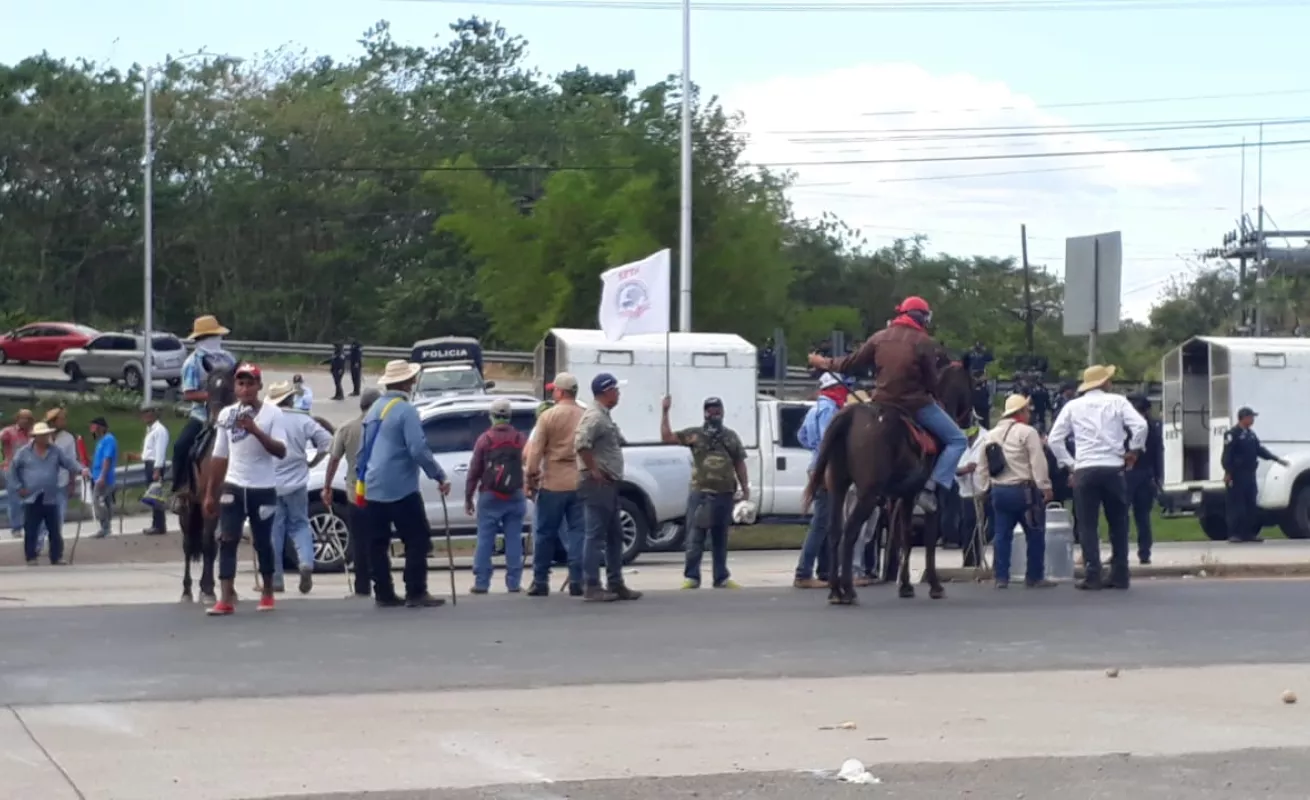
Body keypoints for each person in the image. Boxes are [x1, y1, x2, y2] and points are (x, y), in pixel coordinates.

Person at [807, 296, 968, 514]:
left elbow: (849, 363)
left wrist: (825, 363)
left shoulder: (879, 337)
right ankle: (931, 488)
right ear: (923, 318)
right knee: (958, 439)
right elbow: (931, 382)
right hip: (915, 405)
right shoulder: (924, 342)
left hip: (881, 401)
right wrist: (936, 395)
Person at [1047, 365, 1147, 591]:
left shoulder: (1073, 406)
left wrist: (1071, 465)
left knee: (1087, 524)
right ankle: (1120, 573)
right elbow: (1140, 426)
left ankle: (1093, 574)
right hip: (1113, 467)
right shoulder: (1118, 402)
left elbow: (1054, 439)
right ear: (1105, 383)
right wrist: (1133, 450)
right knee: (1118, 523)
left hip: (1085, 469)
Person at [362, 360, 451, 608]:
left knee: (377, 543)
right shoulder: (405, 411)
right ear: (405, 383)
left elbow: (363, 449)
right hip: (400, 486)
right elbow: (418, 449)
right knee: (417, 538)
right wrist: (438, 475)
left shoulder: (374, 409)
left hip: (373, 484)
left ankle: (383, 592)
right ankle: (415, 590)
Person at [202, 363, 288, 616]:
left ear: (259, 386)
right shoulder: (226, 415)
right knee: (227, 539)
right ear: (235, 388)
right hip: (234, 485)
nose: (246, 388)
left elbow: (280, 450)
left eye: (251, 383)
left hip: (263, 487)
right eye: (241, 383)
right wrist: (210, 492)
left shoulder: (273, 414)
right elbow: (219, 455)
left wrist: (255, 431)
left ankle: (268, 591)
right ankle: (225, 596)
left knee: (262, 541)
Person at [661, 394, 749, 591]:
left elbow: (739, 463)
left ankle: (721, 577)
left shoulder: (731, 436)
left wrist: (745, 488)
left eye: (717, 409)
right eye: (710, 410)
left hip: (725, 494)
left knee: (720, 538)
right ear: (704, 412)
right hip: (701, 494)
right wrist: (665, 411)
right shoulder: (695, 434)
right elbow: (667, 438)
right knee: (695, 536)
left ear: (723, 412)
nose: (714, 413)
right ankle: (692, 577)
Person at [573, 372, 642, 603]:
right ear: (606, 391)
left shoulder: (604, 416)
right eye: (616, 389)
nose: (618, 393)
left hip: (609, 483)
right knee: (595, 536)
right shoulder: (594, 416)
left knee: (615, 534)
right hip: (597, 484)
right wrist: (593, 469)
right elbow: (581, 443)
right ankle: (592, 585)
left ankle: (616, 582)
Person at [979, 394, 1055, 589]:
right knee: (1035, 533)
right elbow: (1037, 461)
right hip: (1024, 491)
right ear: (1020, 412)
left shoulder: (990, 435)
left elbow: (982, 465)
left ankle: (1001, 577)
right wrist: (1045, 486)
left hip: (999, 490)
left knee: (1002, 535)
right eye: (1027, 410)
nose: (1029, 413)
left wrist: (984, 488)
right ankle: (1034, 576)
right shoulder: (1027, 432)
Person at [267, 380, 332, 594]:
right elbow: (327, 442)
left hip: (272, 482)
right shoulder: (303, 419)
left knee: (275, 530)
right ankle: (306, 562)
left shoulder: (266, 420)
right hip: (297, 481)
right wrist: (313, 461)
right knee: (301, 525)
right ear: (291, 398)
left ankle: (276, 578)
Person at [524, 373, 585, 597]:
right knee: (578, 533)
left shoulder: (548, 416)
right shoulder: (585, 416)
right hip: (579, 480)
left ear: (560, 391)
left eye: (554, 390)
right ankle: (577, 579)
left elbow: (535, 452)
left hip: (553, 482)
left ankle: (540, 580)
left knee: (544, 534)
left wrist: (530, 477)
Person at [171, 315, 237, 506]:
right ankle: (180, 488)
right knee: (181, 446)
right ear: (200, 339)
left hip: (232, 415)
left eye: (215, 335)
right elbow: (189, 393)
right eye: (209, 336)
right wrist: (215, 395)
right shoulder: (192, 363)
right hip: (202, 416)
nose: (214, 339)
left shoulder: (229, 359)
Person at [466, 397, 528, 594]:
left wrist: (469, 497)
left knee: (485, 539)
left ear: (491, 416)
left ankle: (482, 582)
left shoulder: (485, 439)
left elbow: (474, 470)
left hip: (490, 495)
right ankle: (514, 583)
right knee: (514, 539)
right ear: (509, 416)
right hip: (515, 494)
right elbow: (528, 464)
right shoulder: (520, 439)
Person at [322, 388, 380, 598]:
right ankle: (382, 584)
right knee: (378, 539)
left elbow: (334, 460)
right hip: (380, 491)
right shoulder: (382, 427)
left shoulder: (346, 428)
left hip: (355, 493)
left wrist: (327, 486)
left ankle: (362, 587)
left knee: (359, 541)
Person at [793, 372, 847, 589]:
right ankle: (803, 573)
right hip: (827, 468)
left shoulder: (814, 408)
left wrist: (815, 450)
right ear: (834, 388)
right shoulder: (829, 409)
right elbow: (828, 439)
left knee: (827, 521)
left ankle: (824, 571)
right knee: (821, 522)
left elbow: (802, 436)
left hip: (816, 465)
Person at [8, 421, 88, 566]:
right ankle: (31, 557)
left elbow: (69, 462)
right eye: (42, 435)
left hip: (50, 496)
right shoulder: (24, 452)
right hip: (31, 497)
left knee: (54, 529)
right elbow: (13, 470)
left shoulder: (55, 451)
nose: (46, 438)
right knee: (31, 529)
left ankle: (56, 556)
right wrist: (19, 487)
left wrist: (81, 469)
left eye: (47, 435)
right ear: (36, 437)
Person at [1221, 406, 1287, 544]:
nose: (1252, 420)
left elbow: (1259, 450)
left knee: (1250, 504)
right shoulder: (1233, 434)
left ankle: (1248, 533)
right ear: (1243, 418)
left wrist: (1275, 458)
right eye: (1250, 417)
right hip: (1236, 474)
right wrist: (1228, 472)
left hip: (1249, 473)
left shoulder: (1251, 434)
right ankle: (1235, 533)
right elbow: (1227, 455)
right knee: (1236, 504)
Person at [1124, 394, 1163, 563]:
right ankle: (1144, 552)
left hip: (1129, 473)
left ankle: (1121, 552)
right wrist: (1158, 477)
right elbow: (1158, 454)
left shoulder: (1127, 427)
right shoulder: (1153, 427)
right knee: (1143, 517)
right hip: (1146, 474)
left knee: (1122, 515)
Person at [956, 415, 994, 568]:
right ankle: (970, 563)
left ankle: (992, 563)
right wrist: (963, 470)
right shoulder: (957, 440)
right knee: (969, 529)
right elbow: (953, 466)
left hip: (986, 490)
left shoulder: (988, 439)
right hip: (967, 492)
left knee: (989, 528)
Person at [41, 408, 81, 550]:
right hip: (43, 484)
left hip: (61, 483)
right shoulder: (41, 437)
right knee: (42, 517)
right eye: (61, 419)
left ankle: (55, 546)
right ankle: (38, 544)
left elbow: (72, 461)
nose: (64, 422)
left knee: (59, 516)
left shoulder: (68, 438)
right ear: (53, 421)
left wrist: (72, 482)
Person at [138, 405, 170, 535]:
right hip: (149, 464)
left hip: (155, 465)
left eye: (147, 413)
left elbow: (160, 451)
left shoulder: (159, 430)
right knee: (152, 496)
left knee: (155, 495)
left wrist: (157, 469)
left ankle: (159, 525)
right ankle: (156, 523)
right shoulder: (150, 430)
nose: (144, 416)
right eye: (143, 413)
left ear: (153, 414)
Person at [2, 409, 34, 538]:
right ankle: (16, 527)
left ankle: (30, 525)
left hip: (29, 470)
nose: (25, 421)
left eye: (28, 418)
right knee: (14, 500)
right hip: (12, 469)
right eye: (22, 418)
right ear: (17, 419)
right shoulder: (8, 432)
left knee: (30, 499)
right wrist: (3, 461)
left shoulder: (33, 433)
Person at [88, 416, 118, 539]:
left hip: (104, 477)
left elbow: (107, 459)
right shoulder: (100, 441)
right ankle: (105, 527)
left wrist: (102, 476)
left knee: (98, 501)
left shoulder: (108, 439)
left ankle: (105, 527)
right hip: (96, 476)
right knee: (104, 502)